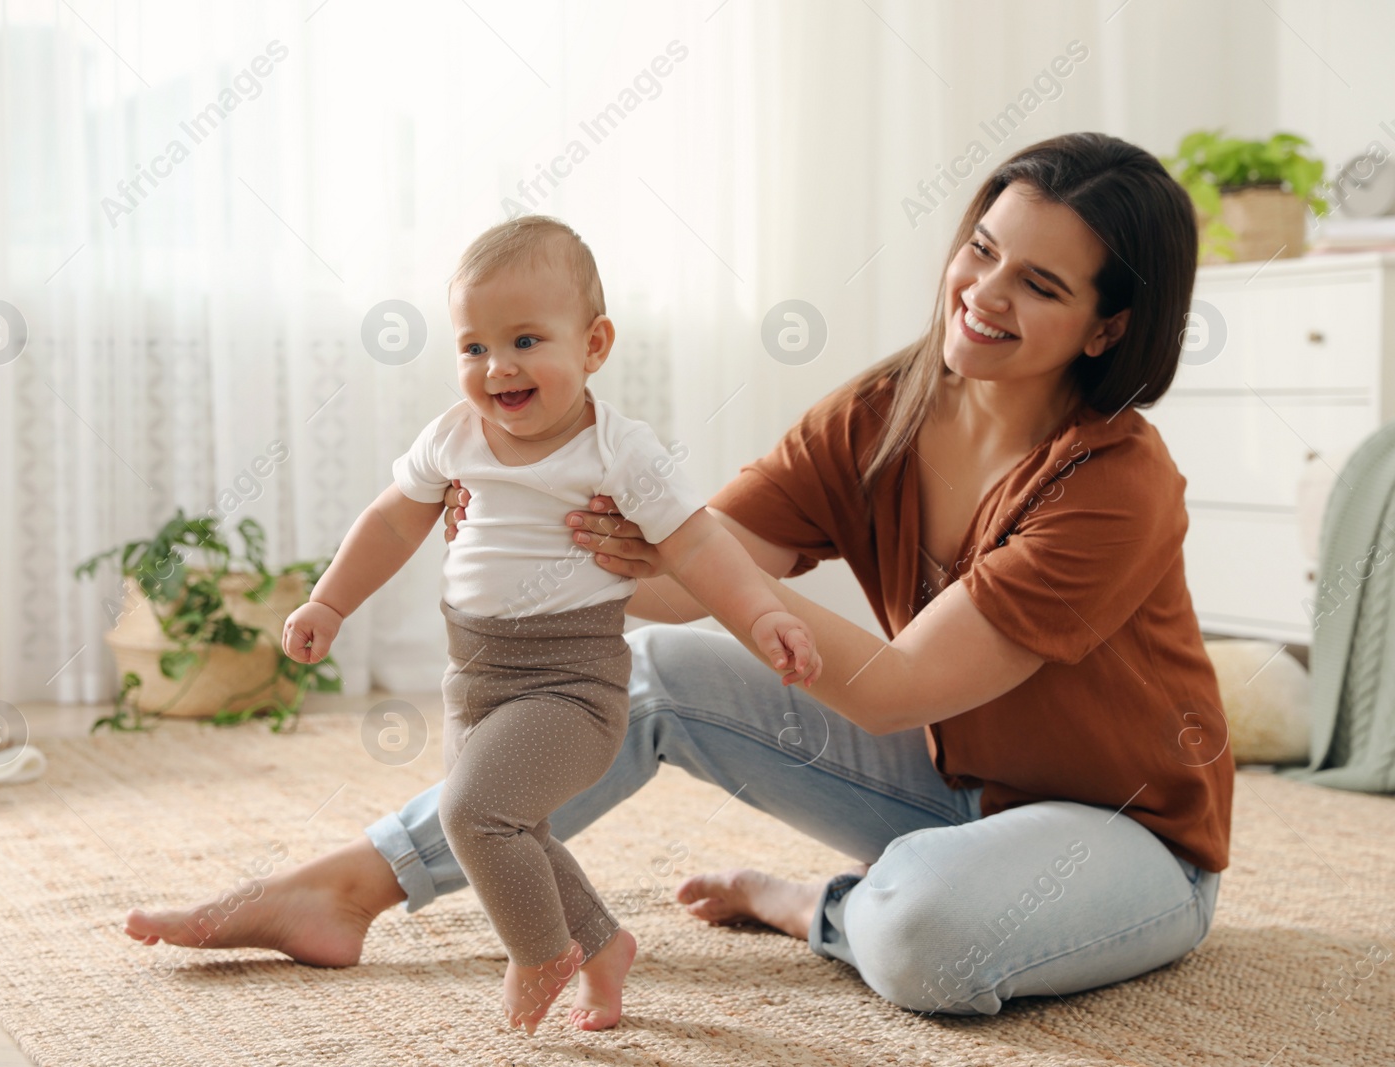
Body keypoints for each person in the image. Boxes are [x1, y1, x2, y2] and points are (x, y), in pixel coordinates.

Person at [126, 131, 1233, 1020]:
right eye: (980, 247)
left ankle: (810, 904)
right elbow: (686, 571)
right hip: (943, 784)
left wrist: (699, 563)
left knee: (926, 940)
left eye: (1036, 282)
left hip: (1121, 834)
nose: (982, 291)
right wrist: (553, 518)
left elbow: (895, 683)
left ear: (1109, 325)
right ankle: (344, 887)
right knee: (641, 667)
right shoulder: (881, 408)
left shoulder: (1114, 482)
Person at [268, 216, 822, 1034]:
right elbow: (391, 523)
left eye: (526, 339)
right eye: (473, 347)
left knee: (470, 814)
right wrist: (330, 600)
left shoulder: (617, 451)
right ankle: (602, 947)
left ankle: (540, 954)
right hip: (475, 677)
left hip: (574, 682)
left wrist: (763, 613)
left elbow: (699, 541)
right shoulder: (455, 437)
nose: (498, 367)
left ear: (594, 344)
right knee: (507, 827)